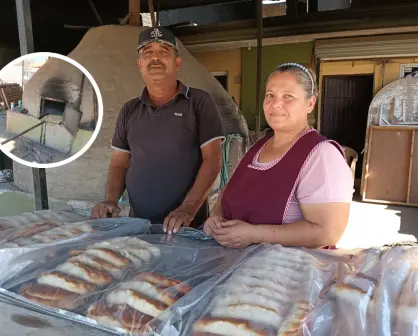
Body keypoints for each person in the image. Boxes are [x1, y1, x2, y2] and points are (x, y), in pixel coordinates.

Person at [204, 63, 354, 249]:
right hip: (241, 265)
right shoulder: (259, 146)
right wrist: (216, 217)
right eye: (270, 95)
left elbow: (327, 233)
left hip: (286, 270)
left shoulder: (321, 155)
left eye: (288, 96)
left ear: (310, 103)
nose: (275, 104)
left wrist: (253, 234)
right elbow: (229, 191)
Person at [91, 27, 224, 235]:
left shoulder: (198, 102)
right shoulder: (129, 110)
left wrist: (188, 207)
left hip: (186, 227)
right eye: (147, 53)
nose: (155, 59)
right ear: (139, 64)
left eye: (164, 52)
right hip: (139, 227)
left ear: (177, 63)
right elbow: (119, 163)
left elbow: (213, 160)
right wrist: (110, 200)